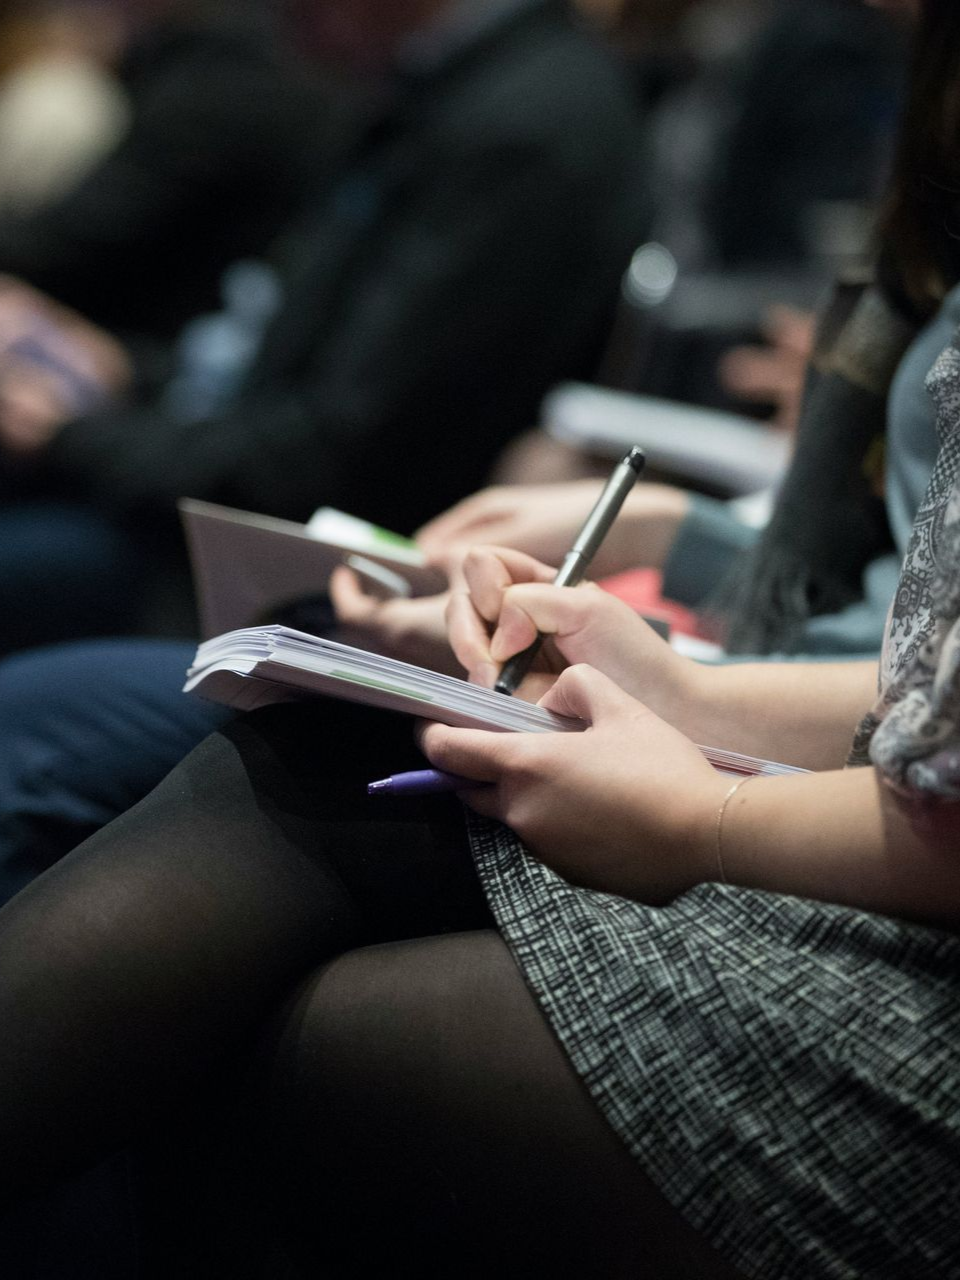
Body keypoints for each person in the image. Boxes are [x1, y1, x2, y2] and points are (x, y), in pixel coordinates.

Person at [1, 3, 960, 1275]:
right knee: (276, 753)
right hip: (812, 737)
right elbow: (918, 665)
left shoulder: (526, 112)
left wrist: (702, 796)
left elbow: (928, 752)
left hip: (894, 929)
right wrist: (676, 672)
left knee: (229, 983)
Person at [0, 0, 646, 655]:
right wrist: (124, 371)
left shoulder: (523, 126)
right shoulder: (462, 82)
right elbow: (276, 363)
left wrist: (77, 437)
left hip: (302, 599)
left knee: (39, 699)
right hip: (219, 520)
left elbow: (331, 460)